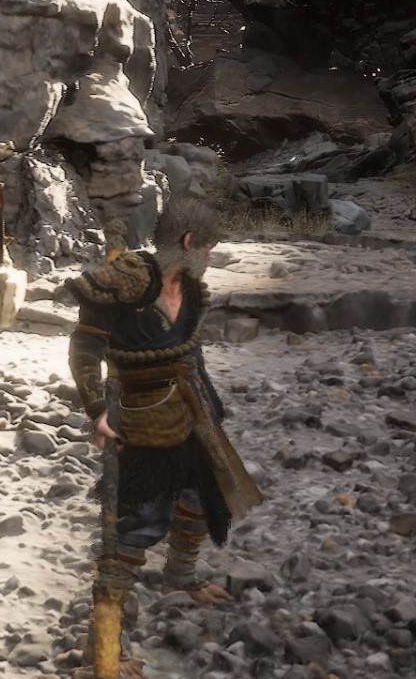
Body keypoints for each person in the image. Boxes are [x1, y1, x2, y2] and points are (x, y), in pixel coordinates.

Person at [67, 197, 263, 623]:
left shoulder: (191, 290)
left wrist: (210, 407)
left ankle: (179, 577)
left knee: (203, 493)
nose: (209, 258)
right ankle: (112, 605)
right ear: (189, 241)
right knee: (142, 511)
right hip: (141, 412)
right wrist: (98, 410)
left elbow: (192, 352)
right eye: (207, 248)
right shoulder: (127, 283)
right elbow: (84, 349)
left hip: (192, 407)